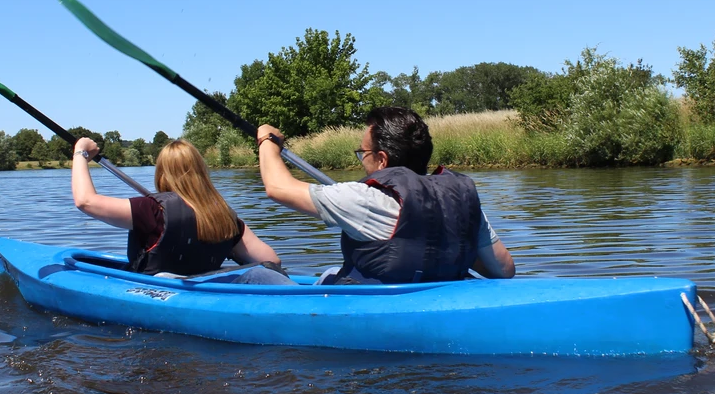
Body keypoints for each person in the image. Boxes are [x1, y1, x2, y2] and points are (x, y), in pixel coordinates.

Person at [256, 106, 516, 284]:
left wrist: (266, 140)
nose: (361, 159)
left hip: (375, 308)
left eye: (363, 153)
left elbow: (278, 188)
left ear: (381, 160)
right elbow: (504, 269)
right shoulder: (460, 197)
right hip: (442, 302)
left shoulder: (364, 199)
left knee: (302, 275)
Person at [70, 137, 287, 282]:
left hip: (157, 293)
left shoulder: (152, 210)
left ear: (162, 174)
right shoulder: (225, 216)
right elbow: (271, 261)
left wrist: (80, 153)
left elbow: (85, 201)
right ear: (202, 171)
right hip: (205, 291)